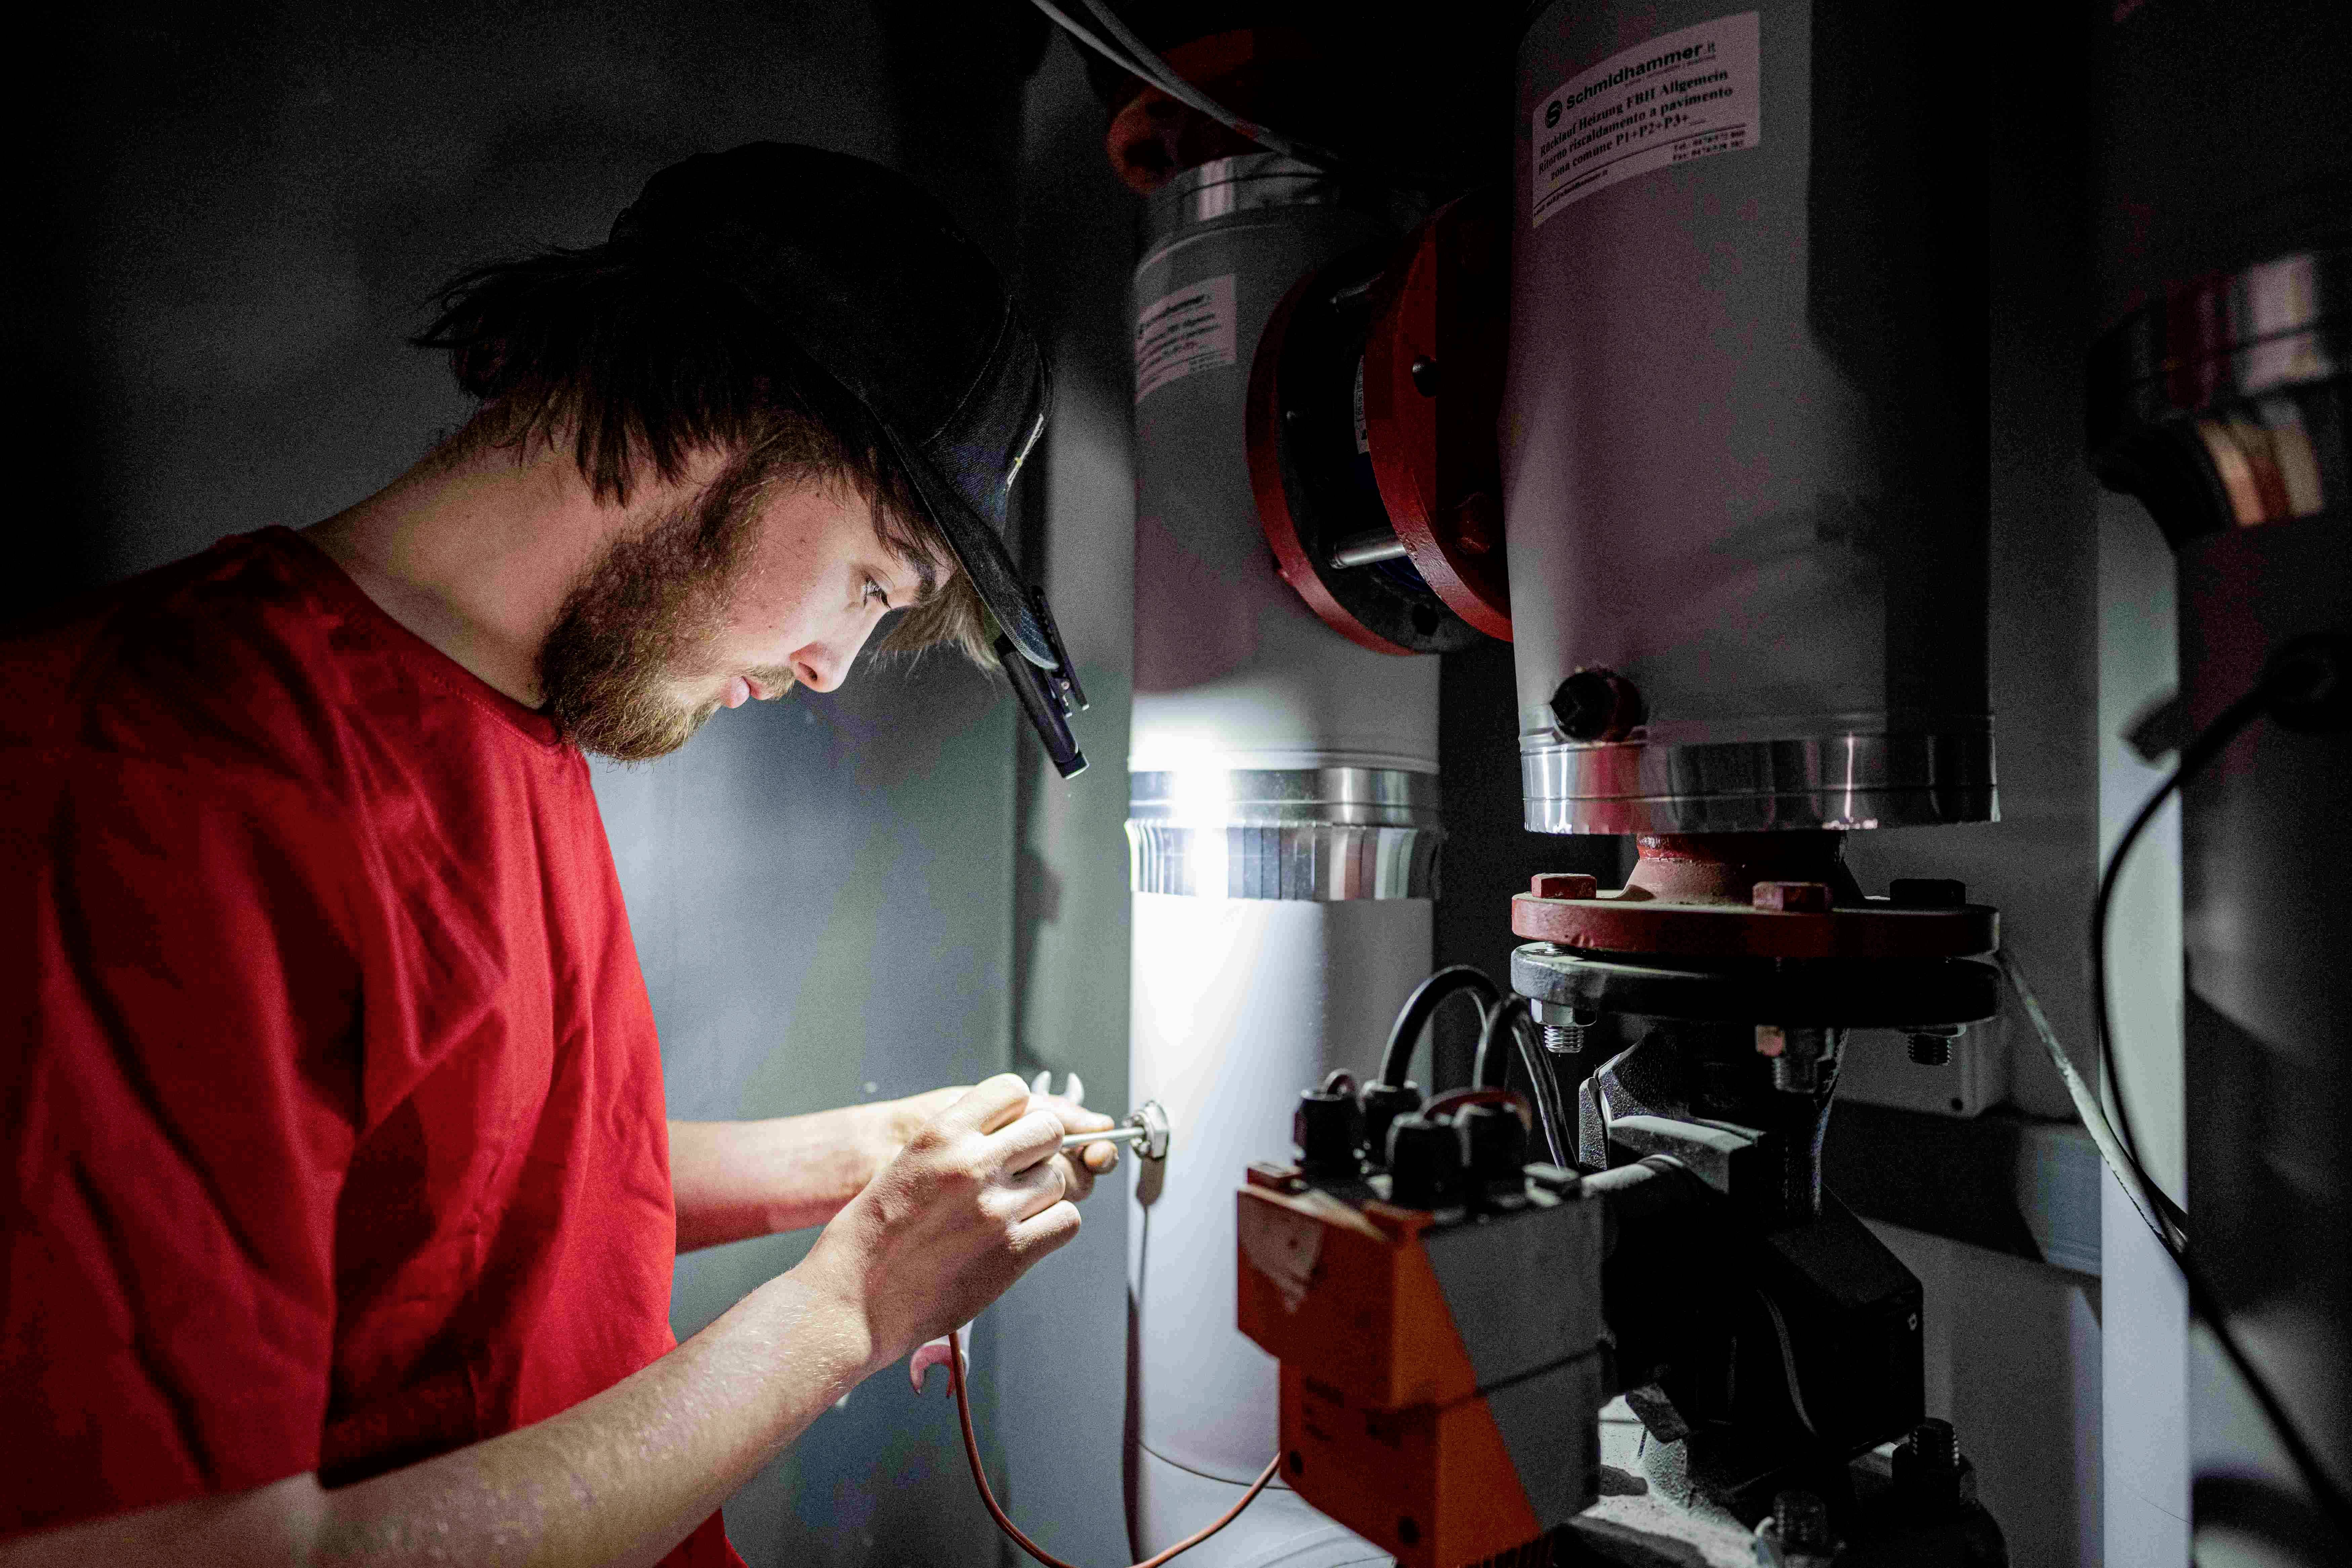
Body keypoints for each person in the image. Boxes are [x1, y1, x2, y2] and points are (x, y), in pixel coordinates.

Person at [0, 142, 1110, 1567]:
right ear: (730, 412)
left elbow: (484, 1181)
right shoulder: (160, 775)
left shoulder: (526, 710)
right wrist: (851, 1309)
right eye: (870, 580)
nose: (835, 665)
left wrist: (865, 1157)